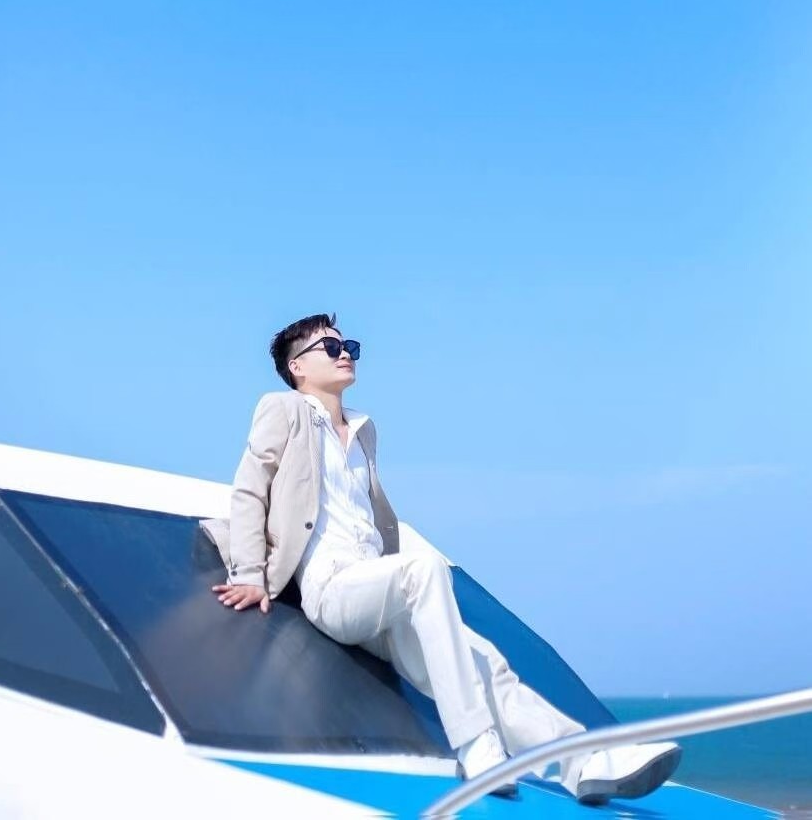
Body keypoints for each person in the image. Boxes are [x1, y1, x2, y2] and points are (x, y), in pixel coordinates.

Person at [210, 312, 681, 803]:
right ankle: (478, 749)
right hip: (332, 587)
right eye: (330, 347)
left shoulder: (364, 431)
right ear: (297, 367)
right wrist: (249, 573)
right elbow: (250, 489)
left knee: (486, 663)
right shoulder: (283, 409)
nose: (345, 352)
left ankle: (586, 763)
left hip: (381, 589)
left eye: (349, 346)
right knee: (424, 569)